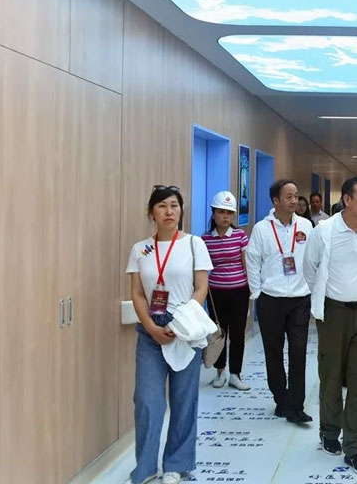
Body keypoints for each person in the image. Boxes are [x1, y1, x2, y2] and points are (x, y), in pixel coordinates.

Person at [125, 186, 213, 484]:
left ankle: (176, 463)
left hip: (185, 328)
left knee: (184, 398)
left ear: (181, 210)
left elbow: (201, 288)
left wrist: (179, 324)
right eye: (162, 206)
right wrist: (151, 326)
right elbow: (138, 294)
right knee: (147, 400)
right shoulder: (141, 249)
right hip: (151, 330)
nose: (169, 211)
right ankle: (145, 466)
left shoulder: (194, 244)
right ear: (151, 212)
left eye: (174, 205)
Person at [303, 176, 357, 476]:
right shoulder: (324, 231)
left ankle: (355, 448)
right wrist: (324, 300)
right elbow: (310, 269)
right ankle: (329, 431)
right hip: (333, 314)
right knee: (331, 377)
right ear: (347, 200)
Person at [246, 179, 314, 424]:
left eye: (296, 196)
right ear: (276, 200)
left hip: (299, 299)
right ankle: (280, 399)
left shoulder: (306, 225)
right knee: (273, 353)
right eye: (289, 197)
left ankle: (296, 406)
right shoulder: (262, 229)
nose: (294, 201)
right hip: (271, 300)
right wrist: (257, 293)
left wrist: (313, 290)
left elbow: (314, 258)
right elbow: (252, 261)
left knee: (298, 353)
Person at [201, 191, 251, 391]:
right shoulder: (205, 239)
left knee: (238, 334)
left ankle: (235, 374)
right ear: (213, 214)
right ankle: (220, 372)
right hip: (215, 294)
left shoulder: (240, 235)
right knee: (218, 333)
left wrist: (251, 291)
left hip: (239, 291)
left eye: (229, 213)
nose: (225, 216)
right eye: (221, 212)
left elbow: (246, 264)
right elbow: (202, 268)